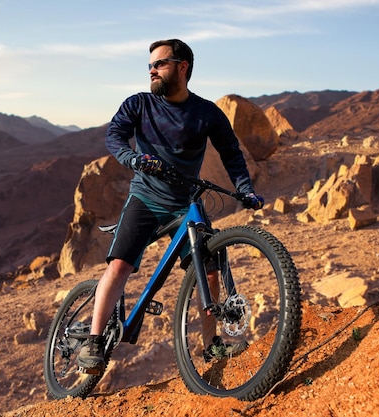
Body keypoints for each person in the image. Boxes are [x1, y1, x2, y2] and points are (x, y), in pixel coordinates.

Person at [77, 39, 264, 374]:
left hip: (185, 204)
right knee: (120, 266)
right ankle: (93, 341)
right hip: (145, 197)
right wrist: (132, 157)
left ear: (182, 67)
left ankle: (211, 346)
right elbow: (115, 137)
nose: (151, 70)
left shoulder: (207, 113)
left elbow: (232, 154)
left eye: (159, 64)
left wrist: (245, 189)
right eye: (149, 65)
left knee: (208, 269)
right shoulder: (139, 104)